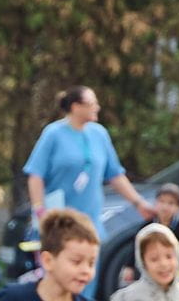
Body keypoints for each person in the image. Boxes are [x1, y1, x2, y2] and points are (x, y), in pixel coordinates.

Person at [24, 85, 156, 234]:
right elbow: (35, 175)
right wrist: (40, 211)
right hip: (60, 221)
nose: (97, 108)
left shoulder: (99, 134)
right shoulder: (53, 134)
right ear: (76, 107)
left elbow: (115, 175)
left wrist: (138, 203)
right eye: (92, 103)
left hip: (91, 222)